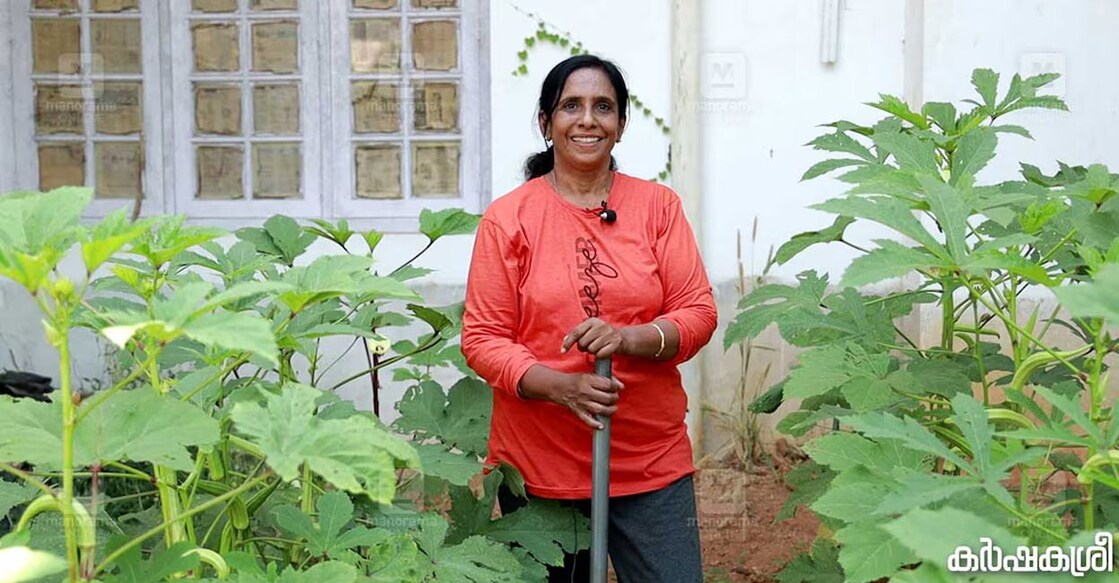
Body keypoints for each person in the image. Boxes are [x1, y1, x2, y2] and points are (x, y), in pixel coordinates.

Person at [461, 54, 717, 583]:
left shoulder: (657, 208)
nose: (587, 119)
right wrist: (560, 387)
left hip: (648, 458)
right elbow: (483, 338)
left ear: (620, 125)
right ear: (545, 123)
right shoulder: (509, 219)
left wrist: (629, 338)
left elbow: (697, 313)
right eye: (570, 106)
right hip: (539, 464)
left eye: (604, 107)